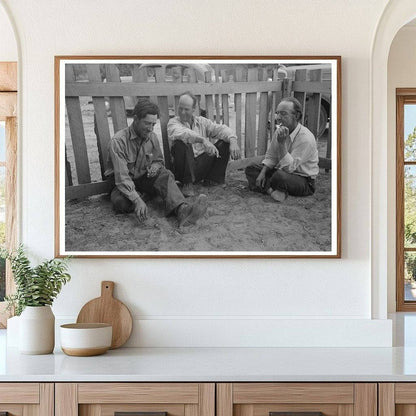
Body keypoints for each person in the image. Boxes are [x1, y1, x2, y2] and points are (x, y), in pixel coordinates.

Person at [105, 98, 207, 227]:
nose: (150, 128)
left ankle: (182, 210)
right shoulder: (118, 142)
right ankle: (144, 197)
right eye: (147, 123)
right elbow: (122, 178)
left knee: (165, 174)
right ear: (135, 119)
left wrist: (155, 165)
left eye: (153, 124)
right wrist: (136, 200)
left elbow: (159, 160)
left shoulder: (151, 137)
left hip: (143, 178)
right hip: (121, 184)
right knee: (120, 203)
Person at [245, 97, 319, 202]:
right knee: (251, 168)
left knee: (279, 176)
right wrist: (262, 172)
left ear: (296, 116)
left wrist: (281, 144)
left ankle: (270, 188)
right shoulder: (280, 131)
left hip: (303, 180)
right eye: (277, 113)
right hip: (282, 171)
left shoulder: (306, 138)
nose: (278, 117)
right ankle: (272, 191)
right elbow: (271, 156)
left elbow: (289, 168)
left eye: (283, 114)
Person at [167, 92, 241, 197]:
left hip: (200, 166)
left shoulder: (201, 122)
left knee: (225, 142)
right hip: (183, 170)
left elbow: (221, 129)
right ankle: (187, 184)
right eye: (180, 108)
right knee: (181, 143)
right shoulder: (173, 123)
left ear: (193, 109)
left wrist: (233, 141)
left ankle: (214, 180)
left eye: (186, 109)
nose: (182, 112)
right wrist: (203, 140)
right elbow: (183, 133)